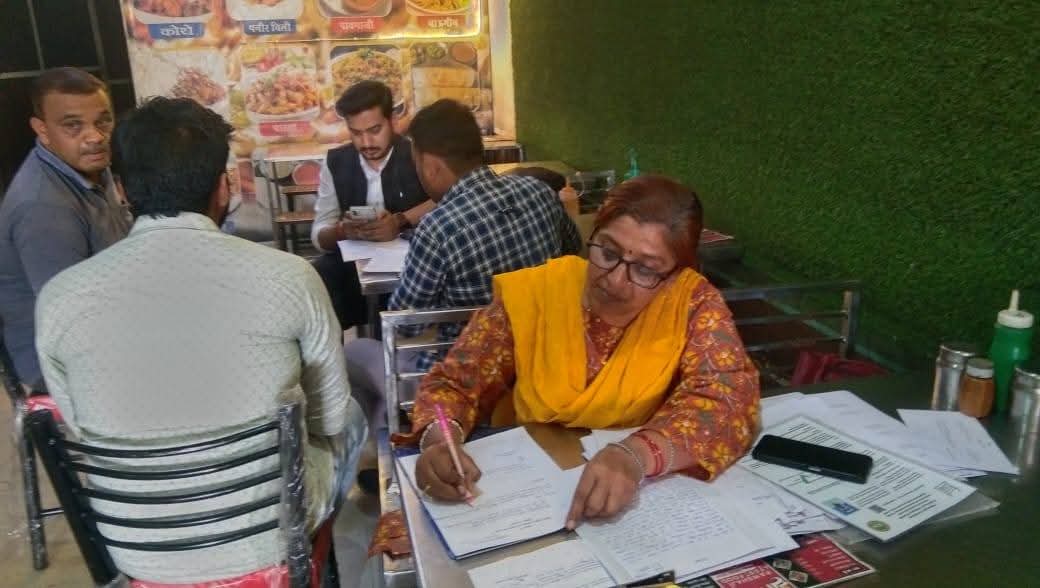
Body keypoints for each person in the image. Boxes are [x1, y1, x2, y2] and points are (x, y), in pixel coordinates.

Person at [35, 97, 366, 584]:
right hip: (270, 539)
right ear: (223, 187)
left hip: (137, 550)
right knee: (353, 416)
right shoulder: (289, 277)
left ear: (121, 188)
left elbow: (83, 430)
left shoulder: (59, 299)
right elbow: (330, 418)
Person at [405, 175, 760, 529]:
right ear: (593, 234)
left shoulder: (691, 303)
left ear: (674, 275)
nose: (615, 280)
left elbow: (728, 399)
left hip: (635, 499)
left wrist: (637, 455)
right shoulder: (537, 294)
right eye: (608, 252)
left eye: (645, 269)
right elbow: (454, 384)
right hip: (522, 493)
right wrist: (439, 439)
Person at [343, 99, 582, 434]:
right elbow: (573, 253)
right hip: (542, 361)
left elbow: (404, 325)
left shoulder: (439, 227)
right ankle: (398, 419)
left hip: (465, 379)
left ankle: (401, 426)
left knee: (354, 352)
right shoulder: (539, 193)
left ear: (431, 166)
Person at [0, 67, 130, 391]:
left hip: (101, 326)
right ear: (42, 130)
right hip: (59, 370)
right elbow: (73, 323)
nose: (95, 136)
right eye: (73, 125)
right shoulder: (44, 208)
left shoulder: (90, 168)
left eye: (103, 121)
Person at [311, 80, 434, 331]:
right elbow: (319, 233)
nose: (366, 142)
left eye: (375, 130)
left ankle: (389, 340)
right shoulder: (336, 162)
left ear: (392, 121)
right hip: (355, 261)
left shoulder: (417, 153)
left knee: (395, 301)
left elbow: (445, 197)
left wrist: (400, 221)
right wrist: (342, 231)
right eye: (356, 133)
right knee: (320, 275)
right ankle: (331, 348)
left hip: (412, 258)